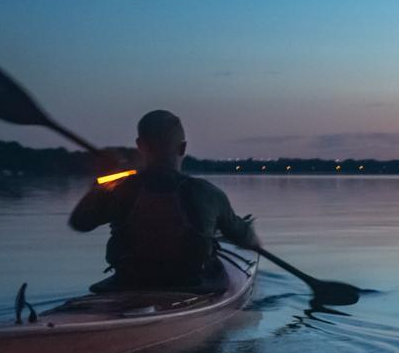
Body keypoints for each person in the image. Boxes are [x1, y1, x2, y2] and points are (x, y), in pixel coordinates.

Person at [70, 110, 260, 293]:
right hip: (191, 285)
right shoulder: (207, 193)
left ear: (140, 145)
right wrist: (252, 240)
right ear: (183, 147)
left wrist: (101, 183)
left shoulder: (119, 190)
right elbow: (244, 236)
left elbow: (80, 223)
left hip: (128, 282)